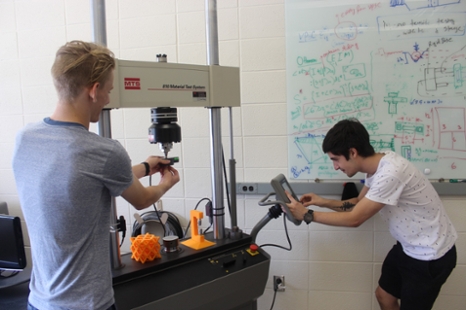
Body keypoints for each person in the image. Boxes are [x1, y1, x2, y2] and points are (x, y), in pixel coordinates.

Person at [12, 41, 180, 310]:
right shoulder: (103, 151)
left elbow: (79, 180)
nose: (109, 99)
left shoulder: (25, 140)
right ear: (94, 90)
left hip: (39, 301)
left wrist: (146, 167)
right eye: (109, 91)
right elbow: (142, 199)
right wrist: (165, 183)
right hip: (88, 304)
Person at [286, 118, 457, 310]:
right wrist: (322, 202)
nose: (335, 166)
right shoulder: (377, 168)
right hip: (408, 246)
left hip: (430, 255)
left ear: (352, 152)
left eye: (336, 159)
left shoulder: (391, 173)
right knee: (384, 296)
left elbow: (355, 219)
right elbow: (358, 204)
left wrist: (307, 215)